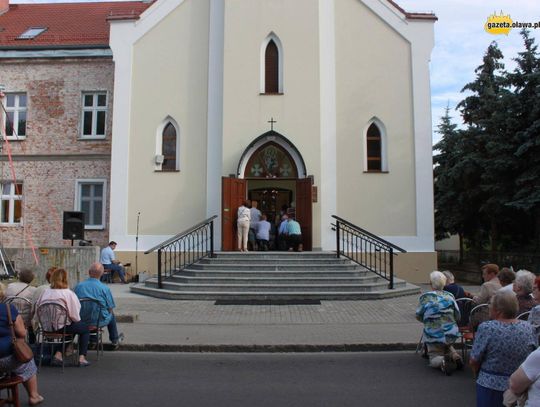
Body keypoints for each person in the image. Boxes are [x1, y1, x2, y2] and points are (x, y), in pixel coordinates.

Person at [470, 291, 537, 407]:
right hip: (519, 386)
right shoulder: (528, 328)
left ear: (498, 310)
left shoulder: (487, 328)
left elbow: (474, 360)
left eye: (491, 305)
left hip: (490, 385)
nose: (489, 308)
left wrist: (477, 374)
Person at [36, 269, 91, 367]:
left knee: (70, 327)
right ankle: (82, 358)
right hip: (62, 327)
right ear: (66, 279)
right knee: (84, 328)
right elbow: (75, 317)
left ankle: (58, 354)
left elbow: (38, 309)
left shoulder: (45, 292)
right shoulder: (68, 293)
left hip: (46, 328)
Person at [0, 283, 44, 405]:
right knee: (26, 361)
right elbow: (22, 333)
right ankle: (34, 396)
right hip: (5, 358)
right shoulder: (8, 309)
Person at [416, 271, 463, 374]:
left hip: (434, 333)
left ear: (431, 284)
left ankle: (442, 360)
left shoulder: (425, 297)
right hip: (451, 332)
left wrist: (427, 321)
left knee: (434, 356)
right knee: (446, 344)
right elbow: (457, 315)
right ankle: (455, 356)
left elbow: (418, 315)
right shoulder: (450, 296)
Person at [74, 263, 125, 350]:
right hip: (98, 321)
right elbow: (110, 307)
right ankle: (114, 340)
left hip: (82, 320)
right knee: (110, 314)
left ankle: (93, 340)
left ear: (89, 272)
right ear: (101, 274)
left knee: (90, 311)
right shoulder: (104, 288)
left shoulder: (78, 286)